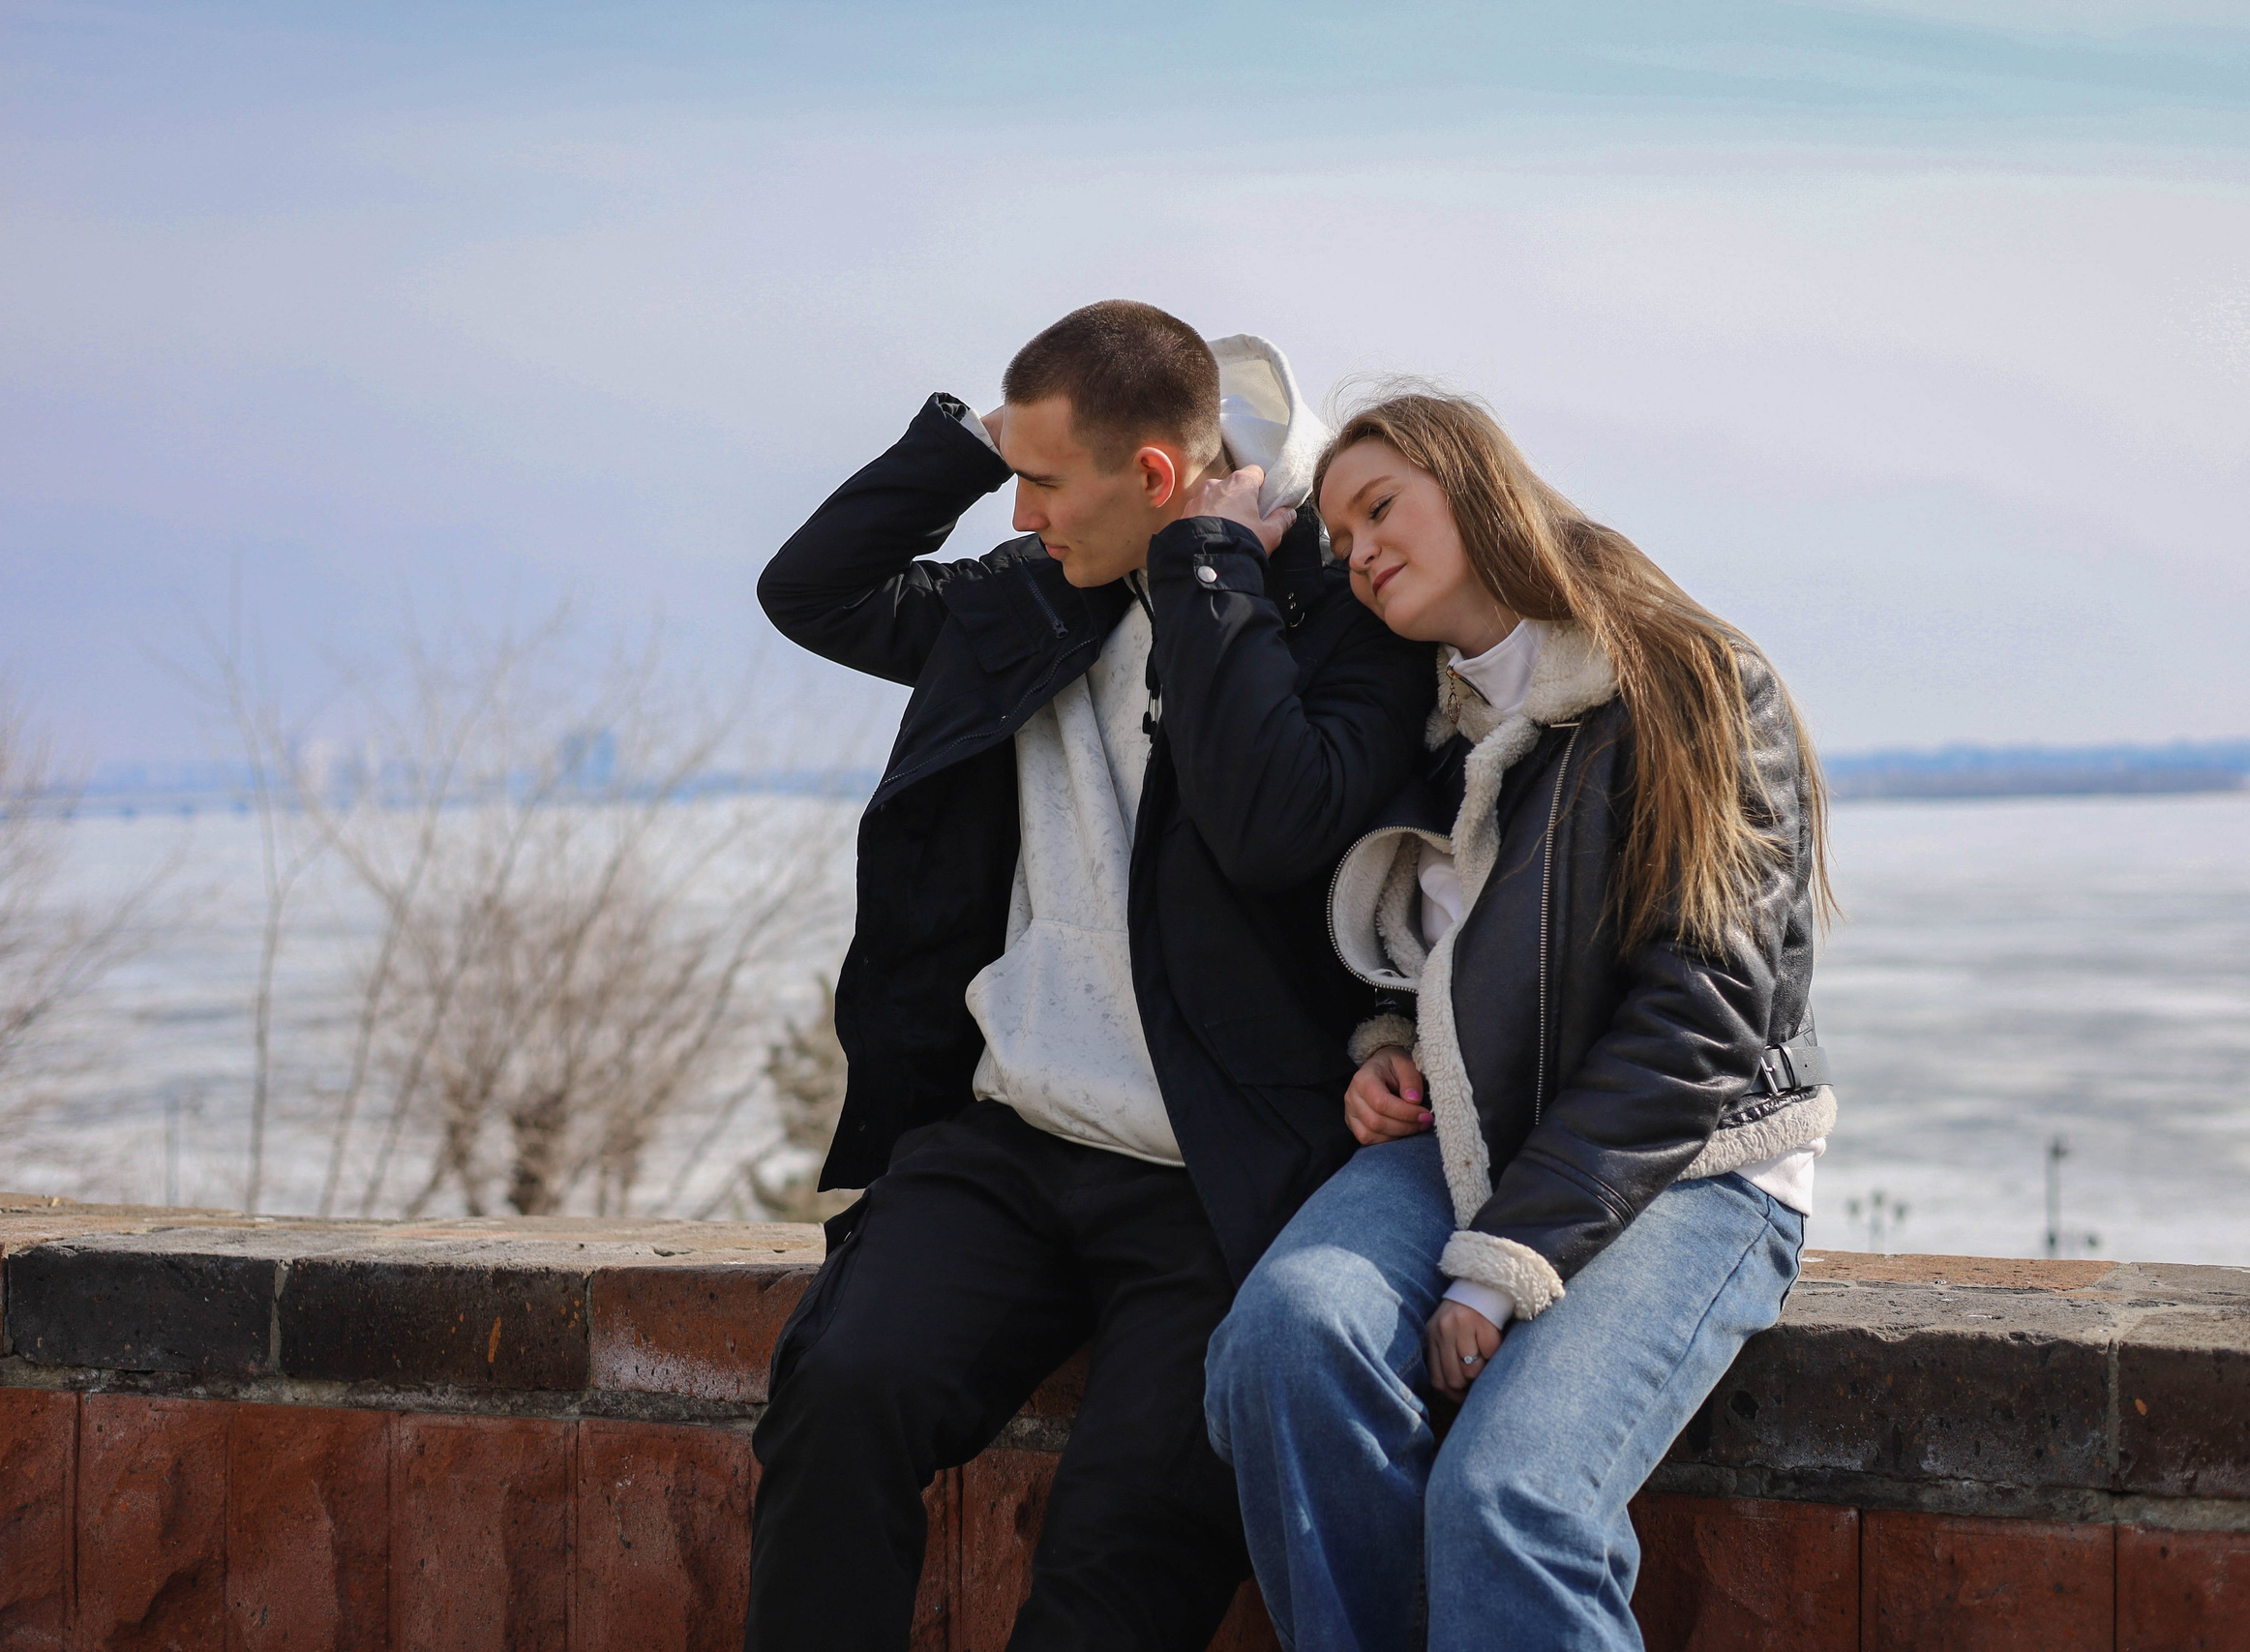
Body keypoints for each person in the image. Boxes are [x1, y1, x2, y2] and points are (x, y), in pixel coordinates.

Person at [745, 302, 1437, 1651]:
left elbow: (1274, 824)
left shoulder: (1336, 619)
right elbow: (812, 591)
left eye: (1045, 482)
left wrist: (1210, 576)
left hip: (1220, 1181)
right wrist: (978, 437)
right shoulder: (1030, 599)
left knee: (1119, 1561)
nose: (1020, 514)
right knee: (841, 1391)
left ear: (1159, 477)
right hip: (1009, 1140)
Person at [1203, 391, 1837, 1650]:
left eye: (1381, 506)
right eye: (1340, 535)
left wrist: (1502, 1264)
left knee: (1509, 1499)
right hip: (1468, 1141)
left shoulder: (1690, 681)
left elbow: (1706, 1018)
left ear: (1479, 487)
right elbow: (1440, 961)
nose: (1360, 550)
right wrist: (1388, 1052)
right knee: (1283, 1339)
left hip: (1694, 1163)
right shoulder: (1433, 723)